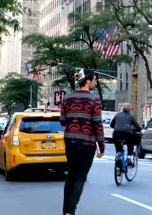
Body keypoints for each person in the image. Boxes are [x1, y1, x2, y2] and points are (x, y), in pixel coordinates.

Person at [60, 69, 105, 215]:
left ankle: (66, 210)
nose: (96, 82)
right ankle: (70, 212)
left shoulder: (67, 98)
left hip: (70, 142)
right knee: (80, 177)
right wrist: (101, 146)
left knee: (71, 176)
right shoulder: (94, 99)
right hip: (87, 144)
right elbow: (97, 124)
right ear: (88, 80)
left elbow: (62, 121)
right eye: (94, 80)